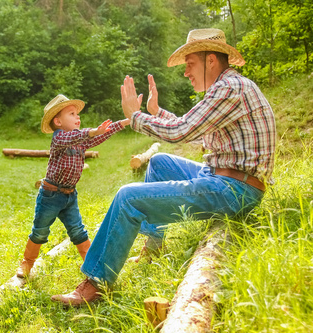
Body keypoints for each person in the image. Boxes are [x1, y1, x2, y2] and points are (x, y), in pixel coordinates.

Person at [51, 28, 276, 306]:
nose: (186, 72)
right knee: (158, 161)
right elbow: (194, 127)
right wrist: (155, 113)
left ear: (210, 60)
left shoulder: (229, 88)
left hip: (234, 189)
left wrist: (135, 116)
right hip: (224, 178)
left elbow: (182, 131)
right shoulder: (228, 86)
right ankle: (154, 248)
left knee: (127, 197)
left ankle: (96, 285)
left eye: (190, 64)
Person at [16, 94, 131, 278]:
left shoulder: (80, 140)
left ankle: (91, 264)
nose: (77, 117)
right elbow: (77, 136)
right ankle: (27, 262)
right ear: (58, 121)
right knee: (40, 231)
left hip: (69, 196)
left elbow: (100, 135)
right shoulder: (59, 138)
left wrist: (124, 122)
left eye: (77, 114)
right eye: (72, 113)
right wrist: (93, 131)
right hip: (50, 196)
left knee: (78, 230)